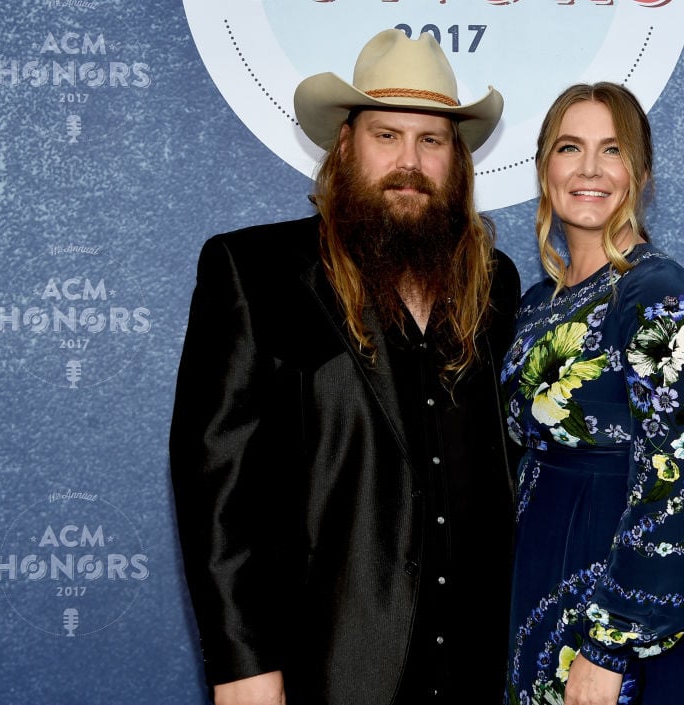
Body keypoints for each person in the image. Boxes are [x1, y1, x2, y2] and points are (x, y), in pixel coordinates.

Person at [169, 29, 520, 705]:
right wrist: (242, 663)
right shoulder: (257, 274)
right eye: (386, 136)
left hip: (472, 670)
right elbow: (215, 487)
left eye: (431, 140)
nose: (409, 162)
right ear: (346, 146)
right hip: (324, 669)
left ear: (458, 160)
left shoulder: (493, 285)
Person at [499, 82, 684, 704]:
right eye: (570, 147)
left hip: (614, 596)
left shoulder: (657, 294)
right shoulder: (533, 305)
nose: (590, 170)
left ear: (642, 174)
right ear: (544, 166)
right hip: (538, 572)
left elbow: (674, 478)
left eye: (613, 150)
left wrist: (610, 647)